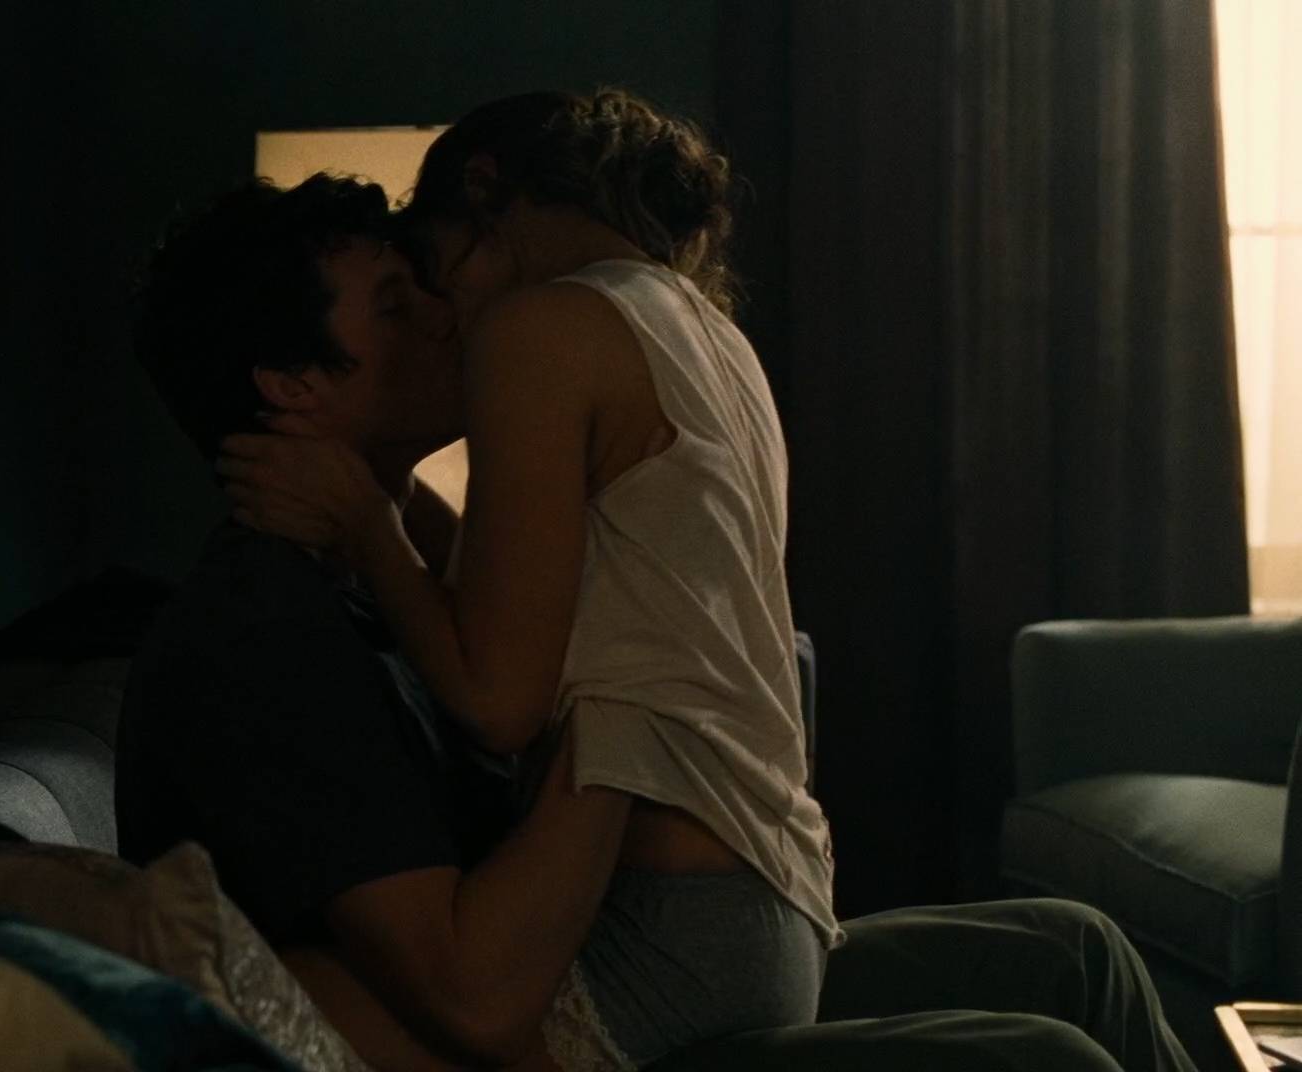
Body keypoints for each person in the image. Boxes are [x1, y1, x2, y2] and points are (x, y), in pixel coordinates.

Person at [118, 169, 1194, 1072]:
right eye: (397, 307)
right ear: (291, 385)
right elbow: (475, 999)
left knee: (1076, 953)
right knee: (1041, 1058)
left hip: (607, 972)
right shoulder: (269, 633)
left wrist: (398, 533)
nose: (448, 313)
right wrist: (627, 681)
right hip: (547, 1035)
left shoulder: (384, 568)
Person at [219, 89, 822, 1070]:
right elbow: (565, 591)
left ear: (484, 191)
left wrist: (366, 523)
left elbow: (500, 702)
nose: (445, 318)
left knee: (238, 1001)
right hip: (766, 900)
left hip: (664, 920)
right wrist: (395, 508)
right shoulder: (701, 329)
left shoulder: (541, 326)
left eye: (431, 272)